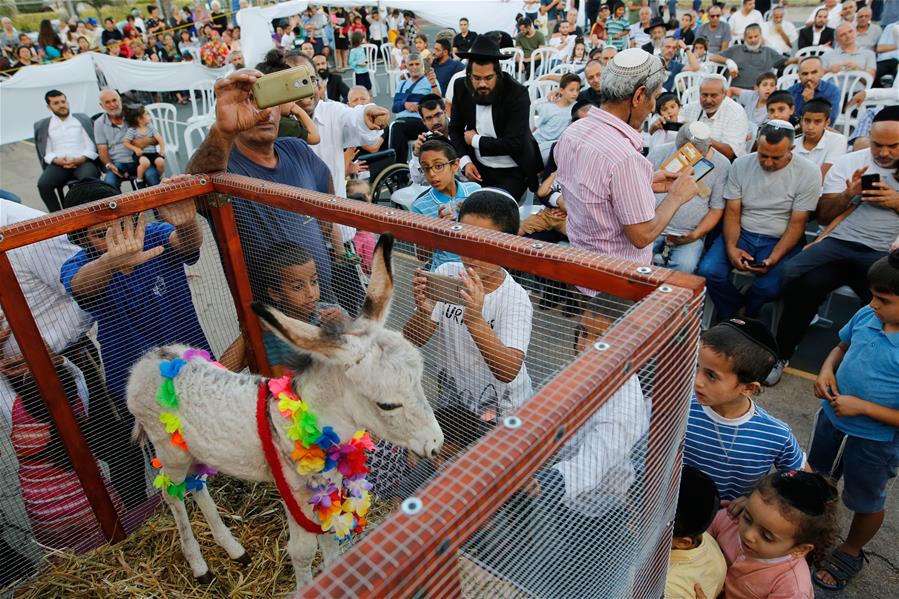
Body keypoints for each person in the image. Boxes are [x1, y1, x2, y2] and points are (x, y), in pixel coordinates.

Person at [767, 108, 899, 385]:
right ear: (868, 138)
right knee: (798, 278)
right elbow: (824, 214)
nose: (884, 153)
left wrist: (895, 202)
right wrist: (848, 195)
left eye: (893, 146)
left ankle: (872, 368)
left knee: (885, 302)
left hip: (885, 254)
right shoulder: (850, 162)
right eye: (877, 144)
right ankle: (781, 353)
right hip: (841, 242)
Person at [60, 181, 208, 405]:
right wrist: (110, 262)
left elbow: (187, 244)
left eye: (121, 227)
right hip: (133, 377)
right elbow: (81, 286)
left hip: (189, 360)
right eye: (101, 235)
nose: (118, 241)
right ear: (80, 240)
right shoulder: (78, 265)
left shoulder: (155, 235)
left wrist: (186, 223)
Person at [555, 48, 698, 270]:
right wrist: (677, 196)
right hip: (617, 278)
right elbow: (641, 235)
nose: (653, 107)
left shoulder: (573, 132)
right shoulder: (625, 158)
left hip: (581, 265)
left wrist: (644, 180)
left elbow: (595, 190)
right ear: (639, 95)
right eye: (654, 98)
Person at [807, 252, 899, 591]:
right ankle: (810, 531)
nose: (873, 304)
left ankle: (851, 549)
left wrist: (862, 407)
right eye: (873, 295)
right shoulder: (866, 314)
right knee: (817, 478)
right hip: (832, 418)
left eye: (884, 299)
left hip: (876, 440)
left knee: (866, 499)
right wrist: (826, 369)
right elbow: (841, 347)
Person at [697, 121, 821, 320]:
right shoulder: (742, 164)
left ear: (792, 149)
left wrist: (774, 257)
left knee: (769, 288)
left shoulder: (809, 172)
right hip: (743, 232)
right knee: (709, 271)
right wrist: (731, 248)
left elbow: (798, 224)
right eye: (763, 155)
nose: (768, 162)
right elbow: (732, 213)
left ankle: (746, 312)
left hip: (779, 237)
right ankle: (737, 313)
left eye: (776, 157)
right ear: (757, 145)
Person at [684, 318, 807, 500]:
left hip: (732, 523)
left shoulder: (776, 435)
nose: (697, 381)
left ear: (748, 388)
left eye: (711, 375)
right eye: (698, 367)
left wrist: (758, 503)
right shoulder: (680, 408)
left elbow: (804, 483)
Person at [695, 470, 839, 599]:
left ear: (800, 549)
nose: (748, 535)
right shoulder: (732, 519)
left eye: (767, 536)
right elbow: (699, 538)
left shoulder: (792, 589)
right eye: (747, 517)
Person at [449, 36, 542, 201]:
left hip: (514, 169)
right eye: (476, 78)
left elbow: (514, 143)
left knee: (493, 211)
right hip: (478, 167)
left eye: (488, 78)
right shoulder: (461, 87)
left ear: (498, 74)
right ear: (469, 74)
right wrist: (465, 162)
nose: (482, 84)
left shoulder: (517, 94)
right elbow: (455, 129)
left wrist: (475, 140)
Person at [649, 122, 730, 274]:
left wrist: (693, 236)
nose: (687, 159)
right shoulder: (660, 152)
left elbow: (716, 209)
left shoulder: (722, 164)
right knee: (640, 265)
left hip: (688, 234)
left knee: (685, 267)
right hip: (653, 226)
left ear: (710, 146)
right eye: (682, 153)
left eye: (693, 155)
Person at [409, 138, 481, 270]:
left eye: (438, 166)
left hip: (478, 268)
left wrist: (471, 218)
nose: (431, 174)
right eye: (425, 168)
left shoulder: (474, 190)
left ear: (455, 165)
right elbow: (422, 256)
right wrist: (437, 232)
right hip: (444, 274)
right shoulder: (419, 207)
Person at [665, 465, 727, 599]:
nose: (629, 523)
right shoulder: (703, 537)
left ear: (683, 542)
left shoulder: (668, 587)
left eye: (646, 524)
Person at [34, 90, 99, 213]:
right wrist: (57, 160)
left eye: (63, 101)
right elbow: (46, 151)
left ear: (67, 102)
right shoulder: (44, 125)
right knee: (43, 185)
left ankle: (94, 213)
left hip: (82, 161)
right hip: (59, 164)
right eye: (56, 103)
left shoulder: (81, 119)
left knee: (90, 180)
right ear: (49, 107)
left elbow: (91, 145)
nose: (61, 105)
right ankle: (57, 216)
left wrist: (81, 159)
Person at [680, 74, 751, 160]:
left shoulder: (735, 113)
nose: (708, 100)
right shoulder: (690, 108)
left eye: (714, 96)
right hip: (691, 158)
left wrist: (700, 136)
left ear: (724, 94)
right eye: (704, 95)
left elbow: (730, 153)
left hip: (723, 163)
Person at [387, 52, 434, 164]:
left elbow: (437, 102)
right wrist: (405, 105)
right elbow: (395, 107)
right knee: (394, 130)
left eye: (417, 64)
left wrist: (421, 106)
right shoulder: (402, 84)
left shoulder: (429, 82)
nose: (414, 67)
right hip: (402, 123)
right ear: (407, 67)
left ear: (422, 65)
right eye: (411, 64)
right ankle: (401, 169)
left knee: (397, 128)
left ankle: (396, 167)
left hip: (421, 121)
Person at [709, 24, 785, 91]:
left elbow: (786, 61)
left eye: (756, 36)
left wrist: (796, 59)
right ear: (745, 38)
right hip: (736, 90)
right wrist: (728, 61)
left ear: (760, 36)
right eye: (750, 37)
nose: (753, 40)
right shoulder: (736, 49)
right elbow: (713, 57)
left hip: (761, 91)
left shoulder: (768, 51)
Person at [794, 99, 848, 178]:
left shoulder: (838, 140)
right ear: (801, 120)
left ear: (827, 123)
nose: (810, 127)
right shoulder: (792, 143)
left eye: (817, 122)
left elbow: (822, 178)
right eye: (807, 121)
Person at [534, 73, 580, 163]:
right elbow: (537, 127)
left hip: (558, 146)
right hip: (540, 143)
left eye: (577, 90)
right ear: (561, 91)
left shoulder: (576, 108)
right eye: (571, 90)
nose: (575, 94)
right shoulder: (549, 107)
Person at [788, 57, 842, 127]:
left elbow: (830, 120)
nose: (809, 77)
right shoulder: (791, 92)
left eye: (814, 72)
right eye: (805, 74)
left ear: (822, 73)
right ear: (799, 75)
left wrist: (810, 102)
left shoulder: (832, 91)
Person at [122, 103, 165, 188]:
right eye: (146, 114)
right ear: (139, 119)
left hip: (152, 152)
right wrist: (135, 148)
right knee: (145, 163)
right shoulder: (132, 130)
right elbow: (125, 142)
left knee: (160, 162)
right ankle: (139, 180)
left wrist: (162, 151)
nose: (149, 116)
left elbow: (160, 139)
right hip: (141, 154)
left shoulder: (150, 126)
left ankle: (159, 177)